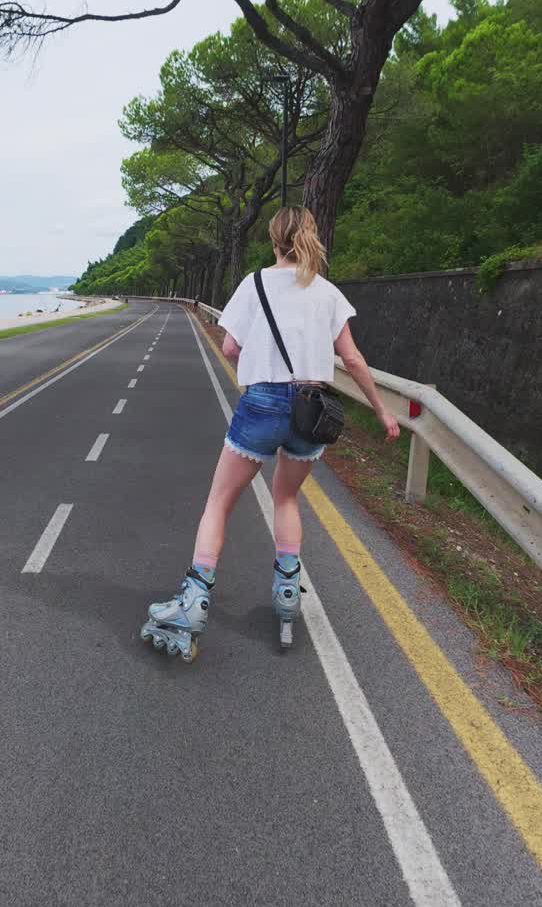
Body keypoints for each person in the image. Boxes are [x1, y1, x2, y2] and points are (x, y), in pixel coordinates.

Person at [141, 206, 400, 662]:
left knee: (219, 502)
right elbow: (354, 360)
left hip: (262, 402)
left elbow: (230, 346)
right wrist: (383, 412)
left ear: (273, 239)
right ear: (310, 237)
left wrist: (260, 372)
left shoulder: (254, 284)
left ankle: (194, 602)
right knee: (286, 499)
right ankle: (286, 593)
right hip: (310, 411)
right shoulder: (327, 293)